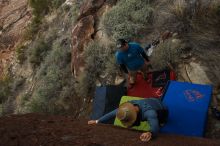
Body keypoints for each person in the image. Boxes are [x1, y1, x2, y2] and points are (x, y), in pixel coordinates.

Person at [88, 98, 168, 142]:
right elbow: (112, 114)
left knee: (160, 122)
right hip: (151, 100)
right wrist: (97, 121)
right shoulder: (125, 109)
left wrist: (150, 133)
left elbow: (155, 127)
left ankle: (162, 120)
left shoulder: (149, 113)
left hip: (161, 108)